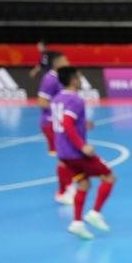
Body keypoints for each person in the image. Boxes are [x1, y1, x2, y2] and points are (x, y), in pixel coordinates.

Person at [51, 67, 116, 240]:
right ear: (73, 80)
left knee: (84, 185)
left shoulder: (57, 99)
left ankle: (77, 223)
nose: (81, 80)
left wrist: (83, 124)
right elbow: (66, 123)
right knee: (109, 177)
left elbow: (61, 121)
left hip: (63, 153)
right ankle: (95, 213)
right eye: (79, 77)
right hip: (76, 153)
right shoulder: (76, 100)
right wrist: (82, 146)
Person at [37, 51, 75, 205]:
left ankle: (68, 186)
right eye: (66, 58)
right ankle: (62, 192)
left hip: (58, 124)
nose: (68, 60)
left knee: (68, 157)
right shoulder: (50, 79)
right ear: (58, 62)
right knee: (64, 158)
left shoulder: (60, 77)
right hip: (51, 124)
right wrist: (61, 108)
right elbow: (42, 102)